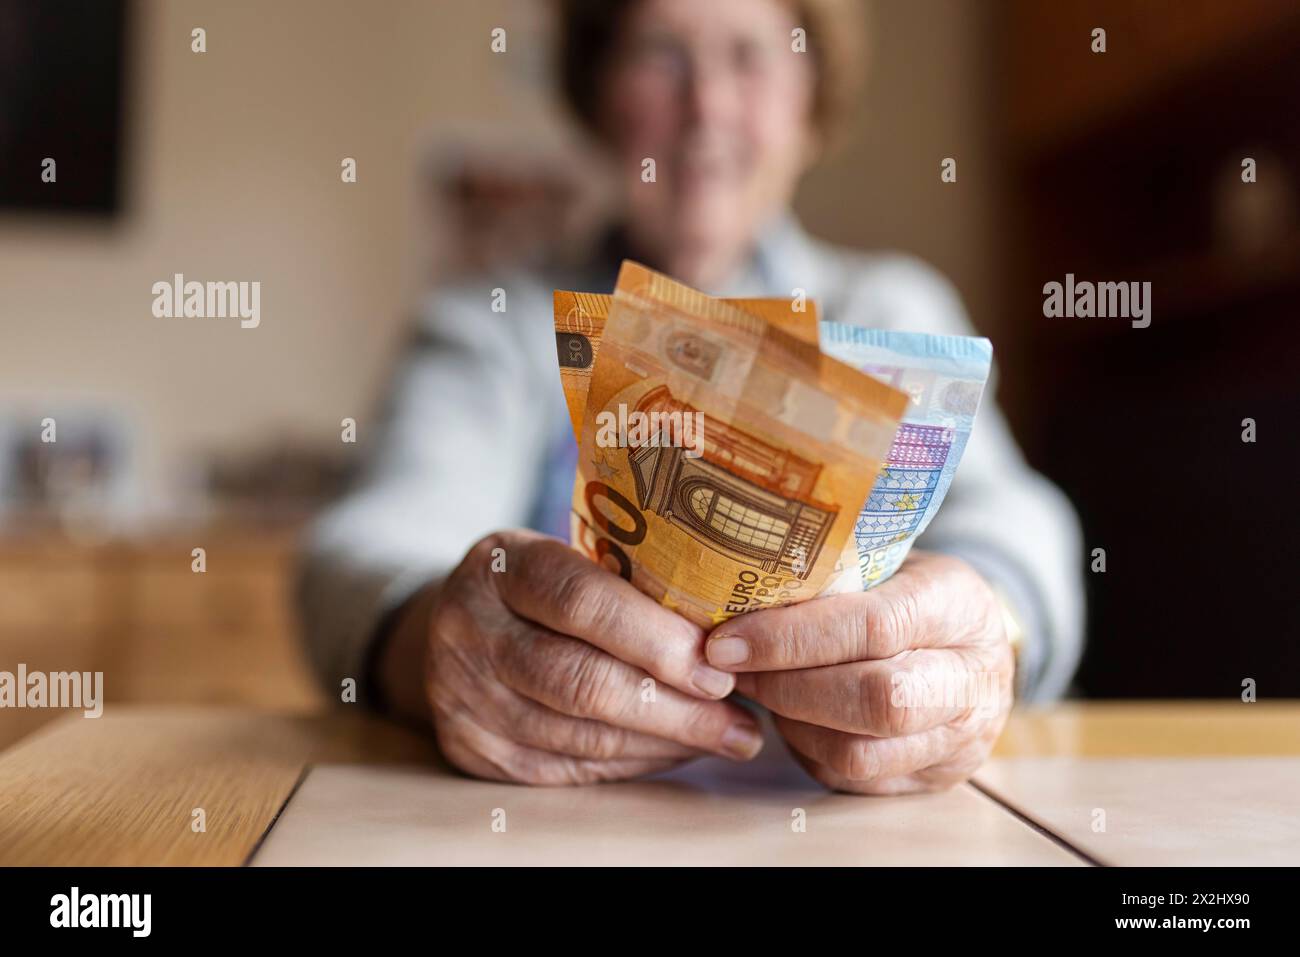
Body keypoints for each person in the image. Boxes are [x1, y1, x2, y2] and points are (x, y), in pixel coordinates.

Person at [297, 0, 1084, 793]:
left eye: (748, 55)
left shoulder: (891, 309)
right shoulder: (492, 324)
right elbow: (363, 551)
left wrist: (987, 640)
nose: (707, 105)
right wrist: (434, 641)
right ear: (600, 97)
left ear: (809, 104)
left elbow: (1021, 523)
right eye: (661, 54)